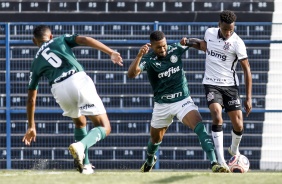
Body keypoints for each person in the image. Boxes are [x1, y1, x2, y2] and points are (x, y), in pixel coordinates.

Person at [22, 25, 123, 174]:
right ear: (50, 36)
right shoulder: (60, 40)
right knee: (104, 126)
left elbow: (31, 98)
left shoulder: (35, 63)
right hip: (77, 79)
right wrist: (110, 52)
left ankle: (86, 165)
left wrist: (31, 125)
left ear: (34, 41)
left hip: (58, 89)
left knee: (80, 121)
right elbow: (85, 39)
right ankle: (81, 146)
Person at [127, 30, 229, 173]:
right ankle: (150, 160)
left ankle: (214, 163)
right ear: (151, 46)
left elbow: (197, 43)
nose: (163, 49)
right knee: (155, 139)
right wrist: (139, 56)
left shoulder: (175, 48)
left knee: (200, 127)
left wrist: (188, 40)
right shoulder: (148, 59)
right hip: (162, 105)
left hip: (182, 100)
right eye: (158, 47)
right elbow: (131, 74)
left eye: (164, 45)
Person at [198, 10, 252, 171]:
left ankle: (233, 151)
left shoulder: (237, 43)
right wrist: (190, 42)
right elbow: (205, 46)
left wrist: (249, 98)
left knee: (239, 125)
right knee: (216, 114)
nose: (228, 32)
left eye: (231, 29)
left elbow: (247, 70)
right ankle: (221, 161)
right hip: (211, 83)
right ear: (219, 24)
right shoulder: (209, 33)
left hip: (230, 86)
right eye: (225, 29)